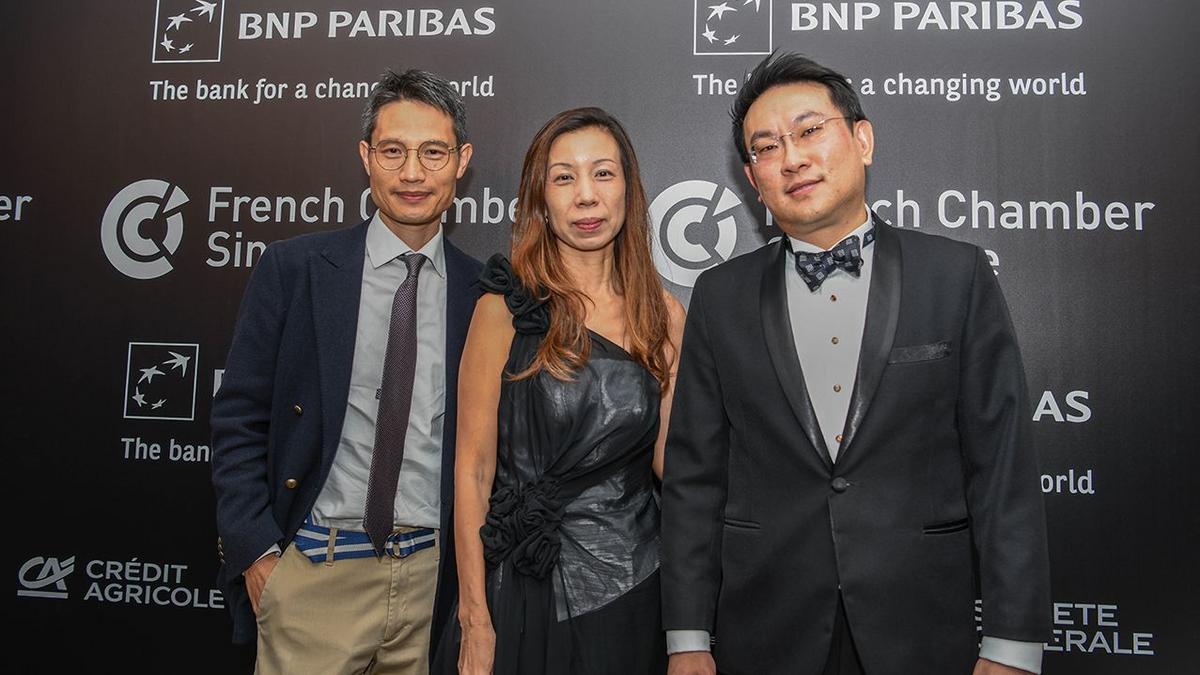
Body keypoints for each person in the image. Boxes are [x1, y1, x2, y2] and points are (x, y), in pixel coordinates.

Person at [661, 52, 1052, 675]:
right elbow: (694, 480)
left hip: (922, 628)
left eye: (810, 130)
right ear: (753, 178)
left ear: (862, 140)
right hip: (766, 632)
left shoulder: (956, 276)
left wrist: (1012, 647)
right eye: (767, 147)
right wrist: (687, 639)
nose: (792, 158)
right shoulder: (719, 296)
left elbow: (1002, 470)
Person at [211, 68, 482, 674]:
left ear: (461, 162)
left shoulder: (486, 293)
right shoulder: (295, 269)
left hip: (437, 587)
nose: (413, 173)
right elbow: (239, 417)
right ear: (366, 157)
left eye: (433, 152)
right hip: (313, 577)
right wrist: (256, 554)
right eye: (393, 151)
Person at [442, 107, 685, 675]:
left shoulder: (664, 315)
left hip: (634, 590)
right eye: (564, 177)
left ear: (628, 189)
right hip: (520, 592)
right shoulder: (503, 309)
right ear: (541, 200)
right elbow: (473, 470)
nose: (586, 196)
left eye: (603, 173)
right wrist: (475, 617)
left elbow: (675, 467)